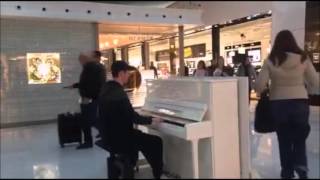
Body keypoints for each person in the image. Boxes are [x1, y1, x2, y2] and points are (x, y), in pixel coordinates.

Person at [255, 30, 319, 179]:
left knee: (284, 139)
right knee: (300, 137)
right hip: (300, 104)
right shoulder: (303, 59)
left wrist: (264, 89)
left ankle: (287, 172)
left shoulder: (271, 60)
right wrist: (306, 90)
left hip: (278, 105)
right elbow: (315, 82)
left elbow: (258, 86)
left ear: (277, 43)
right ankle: (301, 167)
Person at [98, 61, 164, 179]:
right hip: (121, 138)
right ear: (120, 73)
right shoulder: (119, 93)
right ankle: (157, 174)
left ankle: (132, 163)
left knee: (141, 138)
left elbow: (124, 114)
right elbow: (133, 117)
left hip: (108, 136)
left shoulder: (106, 88)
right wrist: (152, 119)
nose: (129, 75)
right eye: (127, 73)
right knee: (156, 142)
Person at [66, 51, 106, 149]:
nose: (81, 62)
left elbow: (93, 84)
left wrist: (88, 97)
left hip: (90, 98)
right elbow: (85, 82)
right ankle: (101, 135)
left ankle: (101, 136)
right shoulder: (91, 67)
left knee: (89, 120)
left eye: (82, 59)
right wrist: (75, 85)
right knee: (89, 120)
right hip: (88, 97)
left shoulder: (94, 67)